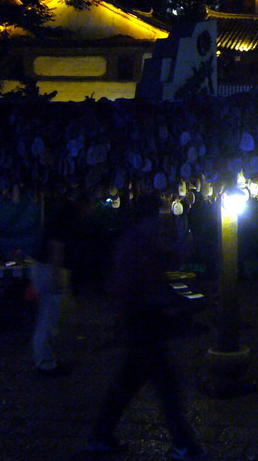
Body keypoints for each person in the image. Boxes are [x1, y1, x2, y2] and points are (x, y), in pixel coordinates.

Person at [86, 193, 206, 461]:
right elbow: (156, 267)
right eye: (159, 213)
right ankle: (184, 444)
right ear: (149, 215)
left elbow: (165, 261)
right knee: (165, 385)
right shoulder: (138, 240)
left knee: (128, 383)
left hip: (141, 319)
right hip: (143, 319)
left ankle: (100, 436)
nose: (161, 217)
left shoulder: (137, 238)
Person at [29, 192, 76, 376]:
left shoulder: (55, 220)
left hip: (43, 267)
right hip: (48, 269)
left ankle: (45, 358)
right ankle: (45, 363)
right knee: (48, 316)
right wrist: (57, 279)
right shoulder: (62, 222)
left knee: (47, 315)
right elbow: (56, 249)